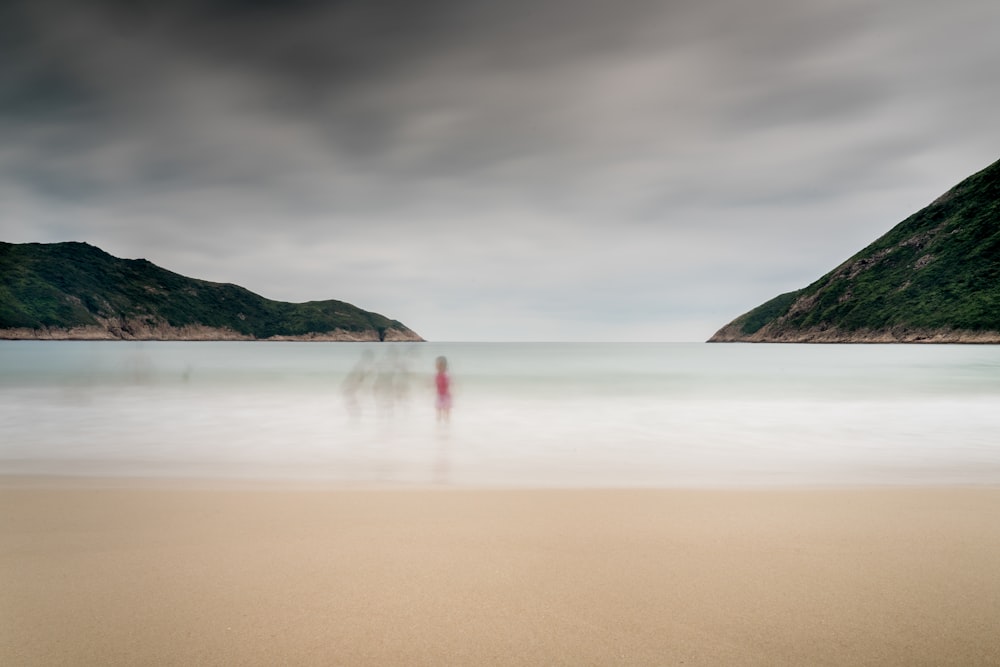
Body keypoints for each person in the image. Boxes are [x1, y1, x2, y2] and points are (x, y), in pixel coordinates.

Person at [434, 356, 452, 423]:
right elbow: (436, 385)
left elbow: (449, 384)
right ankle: (438, 424)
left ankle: (447, 423)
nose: (437, 367)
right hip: (439, 395)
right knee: (438, 410)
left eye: (439, 365)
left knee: (446, 410)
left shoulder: (446, 375)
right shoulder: (437, 375)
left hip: (446, 395)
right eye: (437, 365)